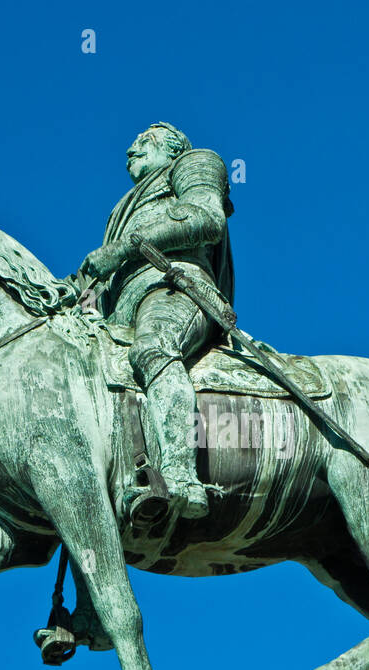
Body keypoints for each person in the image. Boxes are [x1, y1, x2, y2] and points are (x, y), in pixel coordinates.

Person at [80, 122, 235, 519]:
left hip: (175, 286)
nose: (131, 148)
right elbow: (99, 281)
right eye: (131, 143)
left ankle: (181, 477)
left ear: (173, 149)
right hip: (121, 311)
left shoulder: (194, 163)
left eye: (144, 141)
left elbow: (207, 217)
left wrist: (122, 248)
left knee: (154, 345)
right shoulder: (121, 209)